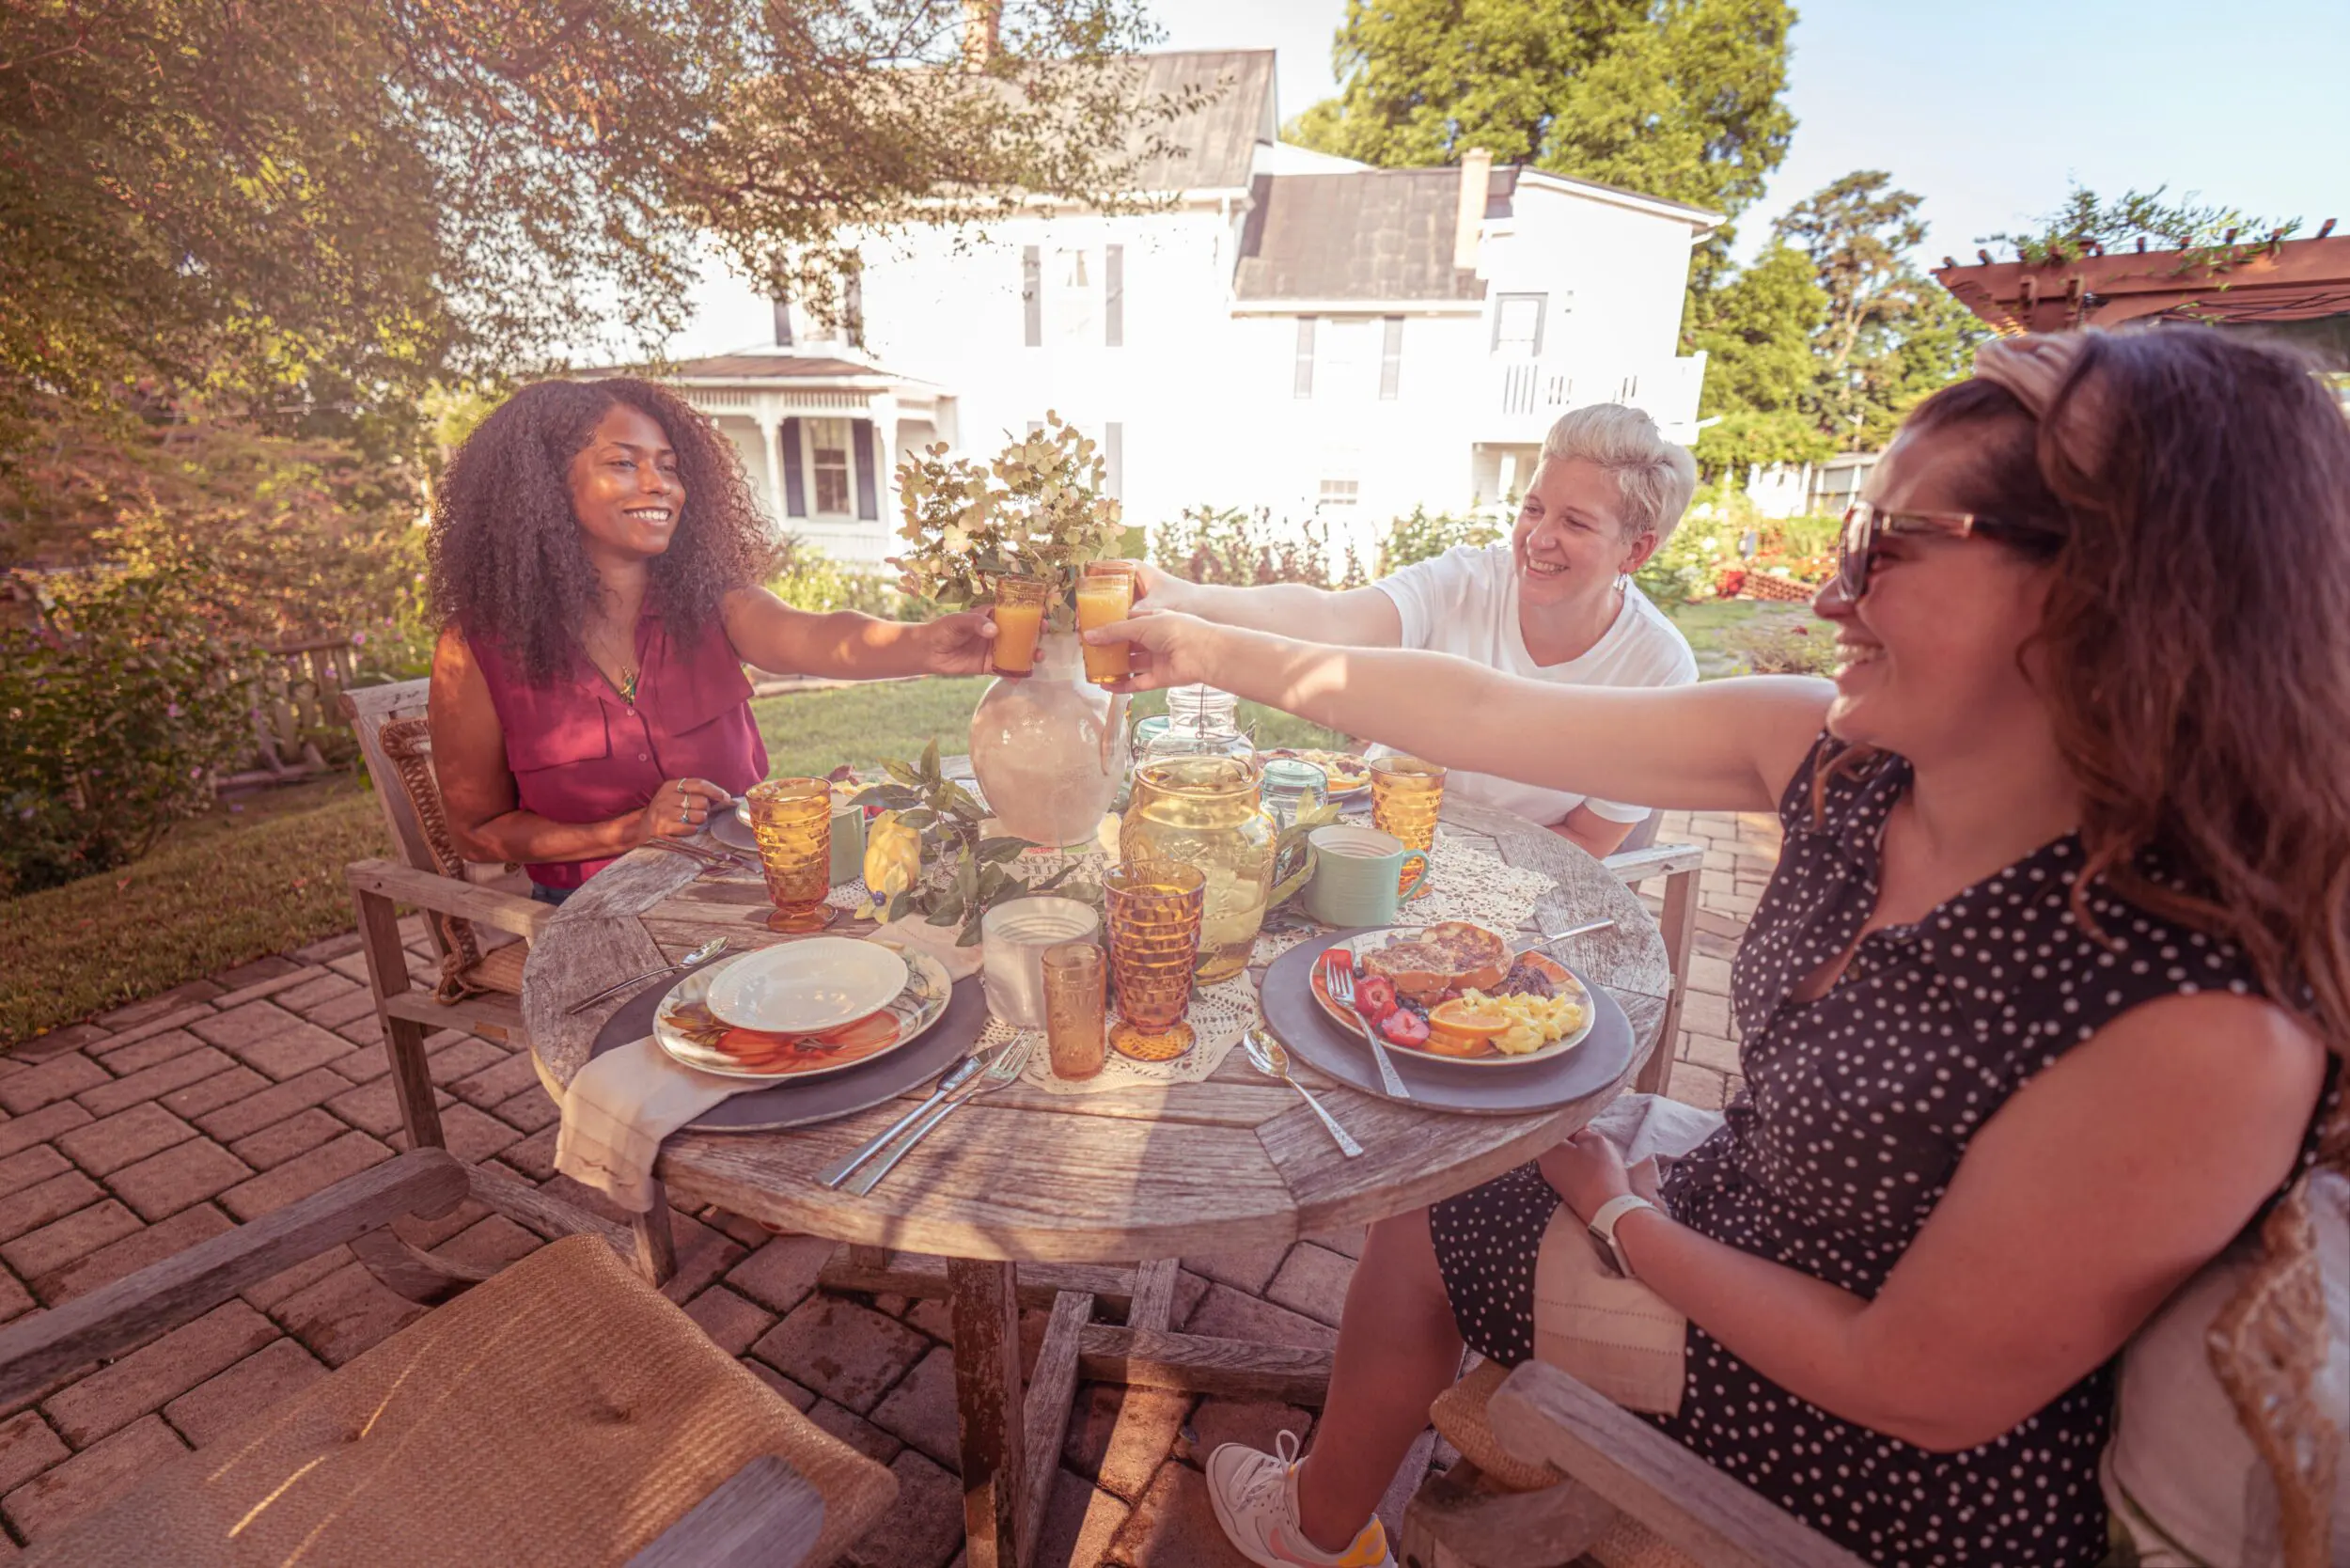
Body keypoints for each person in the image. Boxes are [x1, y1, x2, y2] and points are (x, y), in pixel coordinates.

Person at [1087, 328, 2347, 1568]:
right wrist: (1203, 644)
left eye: (1889, 547)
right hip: (1755, 1212)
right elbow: (1484, 709)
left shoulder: (2202, 1024)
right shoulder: (1842, 761)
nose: (1828, 594)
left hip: (1886, 1458)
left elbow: (1911, 1383)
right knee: (1466, 1172)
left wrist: (1629, 1221)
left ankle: (1317, 1531)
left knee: (1426, 1218)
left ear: (2116, 592)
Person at [426, 378, 994, 902]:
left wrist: (926, 644)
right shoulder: (478, 649)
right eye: (623, 463)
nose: (659, 485)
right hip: (597, 918)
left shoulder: (714, 606)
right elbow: (478, 834)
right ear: (545, 485)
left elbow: (817, 635)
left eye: (669, 468)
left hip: (751, 892)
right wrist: (630, 830)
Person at [1133, 403, 1700, 858]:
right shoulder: (1463, 579)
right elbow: (1334, 621)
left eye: (1574, 522)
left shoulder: (1659, 668)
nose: (1538, 537)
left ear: (1638, 549)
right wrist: (1185, 596)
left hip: (1514, 873)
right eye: (1533, 508)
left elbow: (1588, 841)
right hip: (1370, 838)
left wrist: (1445, 876)